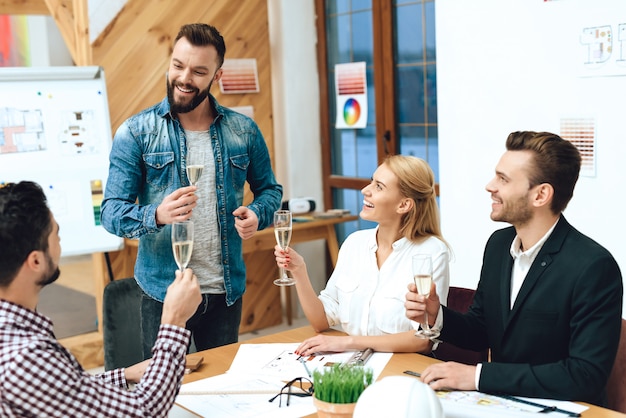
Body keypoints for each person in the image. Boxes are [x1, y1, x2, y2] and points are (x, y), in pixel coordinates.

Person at [101, 23, 283, 358]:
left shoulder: (243, 130)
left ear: (217, 76)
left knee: (221, 391)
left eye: (199, 71)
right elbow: (110, 213)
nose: (184, 78)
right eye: (178, 66)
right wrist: (156, 214)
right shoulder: (136, 132)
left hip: (224, 292)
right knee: (165, 393)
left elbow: (271, 192)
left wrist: (258, 213)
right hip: (163, 293)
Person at [405, 131, 623, 406]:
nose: (489, 185)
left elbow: (583, 376)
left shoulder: (594, 267)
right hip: (501, 404)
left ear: (541, 194)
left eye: (503, 179)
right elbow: (481, 328)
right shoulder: (498, 245)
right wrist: (437, 315)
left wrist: (478, 377)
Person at [0, 181, 202, 417]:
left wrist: (123, 375)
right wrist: (174, 321)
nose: (60, 243)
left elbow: (62, 392)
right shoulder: (26, 358)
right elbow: (144, 410)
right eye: (56, 234)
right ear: (35, 261)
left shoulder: (17, 344)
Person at [276, 155, 450, 356]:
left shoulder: (432, 252)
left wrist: (347, 343)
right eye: (371, 181)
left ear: (404, 205)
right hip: (354, 363)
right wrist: (299, 270)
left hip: (401, 368)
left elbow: (423, 340)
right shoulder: (354, 243)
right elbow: (320, 320)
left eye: (379, 186)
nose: (365, 190)